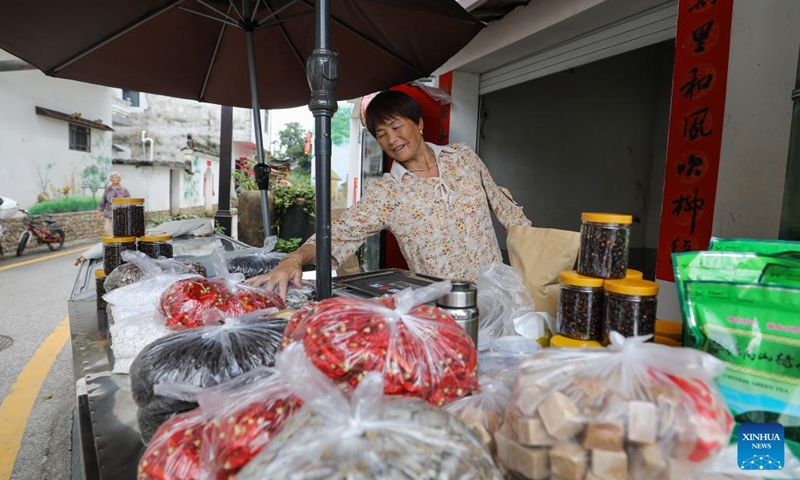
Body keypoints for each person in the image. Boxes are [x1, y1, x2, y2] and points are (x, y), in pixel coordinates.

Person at [246, 90, 531, 298]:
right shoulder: (387, 193)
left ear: (418, 124)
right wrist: (292, 260)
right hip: (442, 307)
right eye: (380, 134)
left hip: (501, 296)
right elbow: (340, 235)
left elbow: (506, 209)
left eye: (396, 126)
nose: (391, 139)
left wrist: (540, 258)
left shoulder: (463, 157)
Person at [96, 171, 131, 236]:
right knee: (108, 230)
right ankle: (111, 245)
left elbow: (129, 202)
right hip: (109, 213)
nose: (114, 179)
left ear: (120, 179)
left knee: (119, 231)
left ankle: (119, 244)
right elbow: (103, 200)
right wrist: (99, 210)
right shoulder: (107, 190)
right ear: (110, 179)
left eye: (116, 177)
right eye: (112, 177)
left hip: (120, 213)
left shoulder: (124, 190)